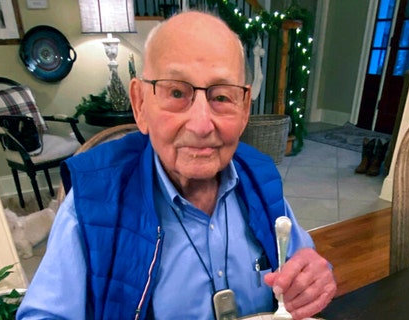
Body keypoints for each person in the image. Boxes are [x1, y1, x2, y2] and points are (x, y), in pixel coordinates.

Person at [17, 11, 337, 320]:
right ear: (140, 104)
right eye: (176, 92)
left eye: (222, 97)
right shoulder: (92, 201)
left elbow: (301, 261)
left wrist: (313, 277)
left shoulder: (261, 176)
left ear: (243, 108)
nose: (200, 125)